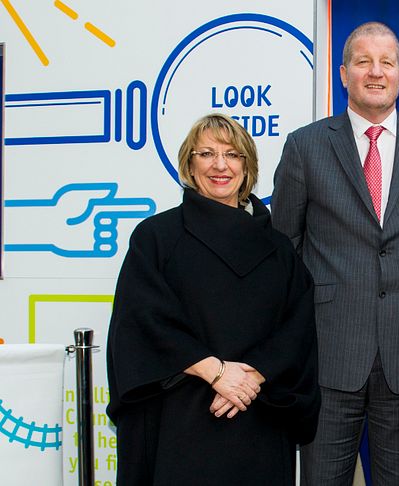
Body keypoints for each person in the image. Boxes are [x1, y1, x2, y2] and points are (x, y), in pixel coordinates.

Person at [271, 21, 399, 486]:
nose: (375, 72)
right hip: (328, 352)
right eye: (363, 61)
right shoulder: (306, 146)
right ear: (343, 73)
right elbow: (285, 247)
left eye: (386, 63)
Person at [106, 113, 320, 486]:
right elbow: (141, 319)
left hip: (258, 416)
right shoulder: (156, 237)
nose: (220, 165)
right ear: (190, 164)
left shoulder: (279, 249)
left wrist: (249, 377)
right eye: (206, 153)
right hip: (180, 421)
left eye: (233, 154)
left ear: (247, 165)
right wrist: (215, 372)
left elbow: (297, 329)